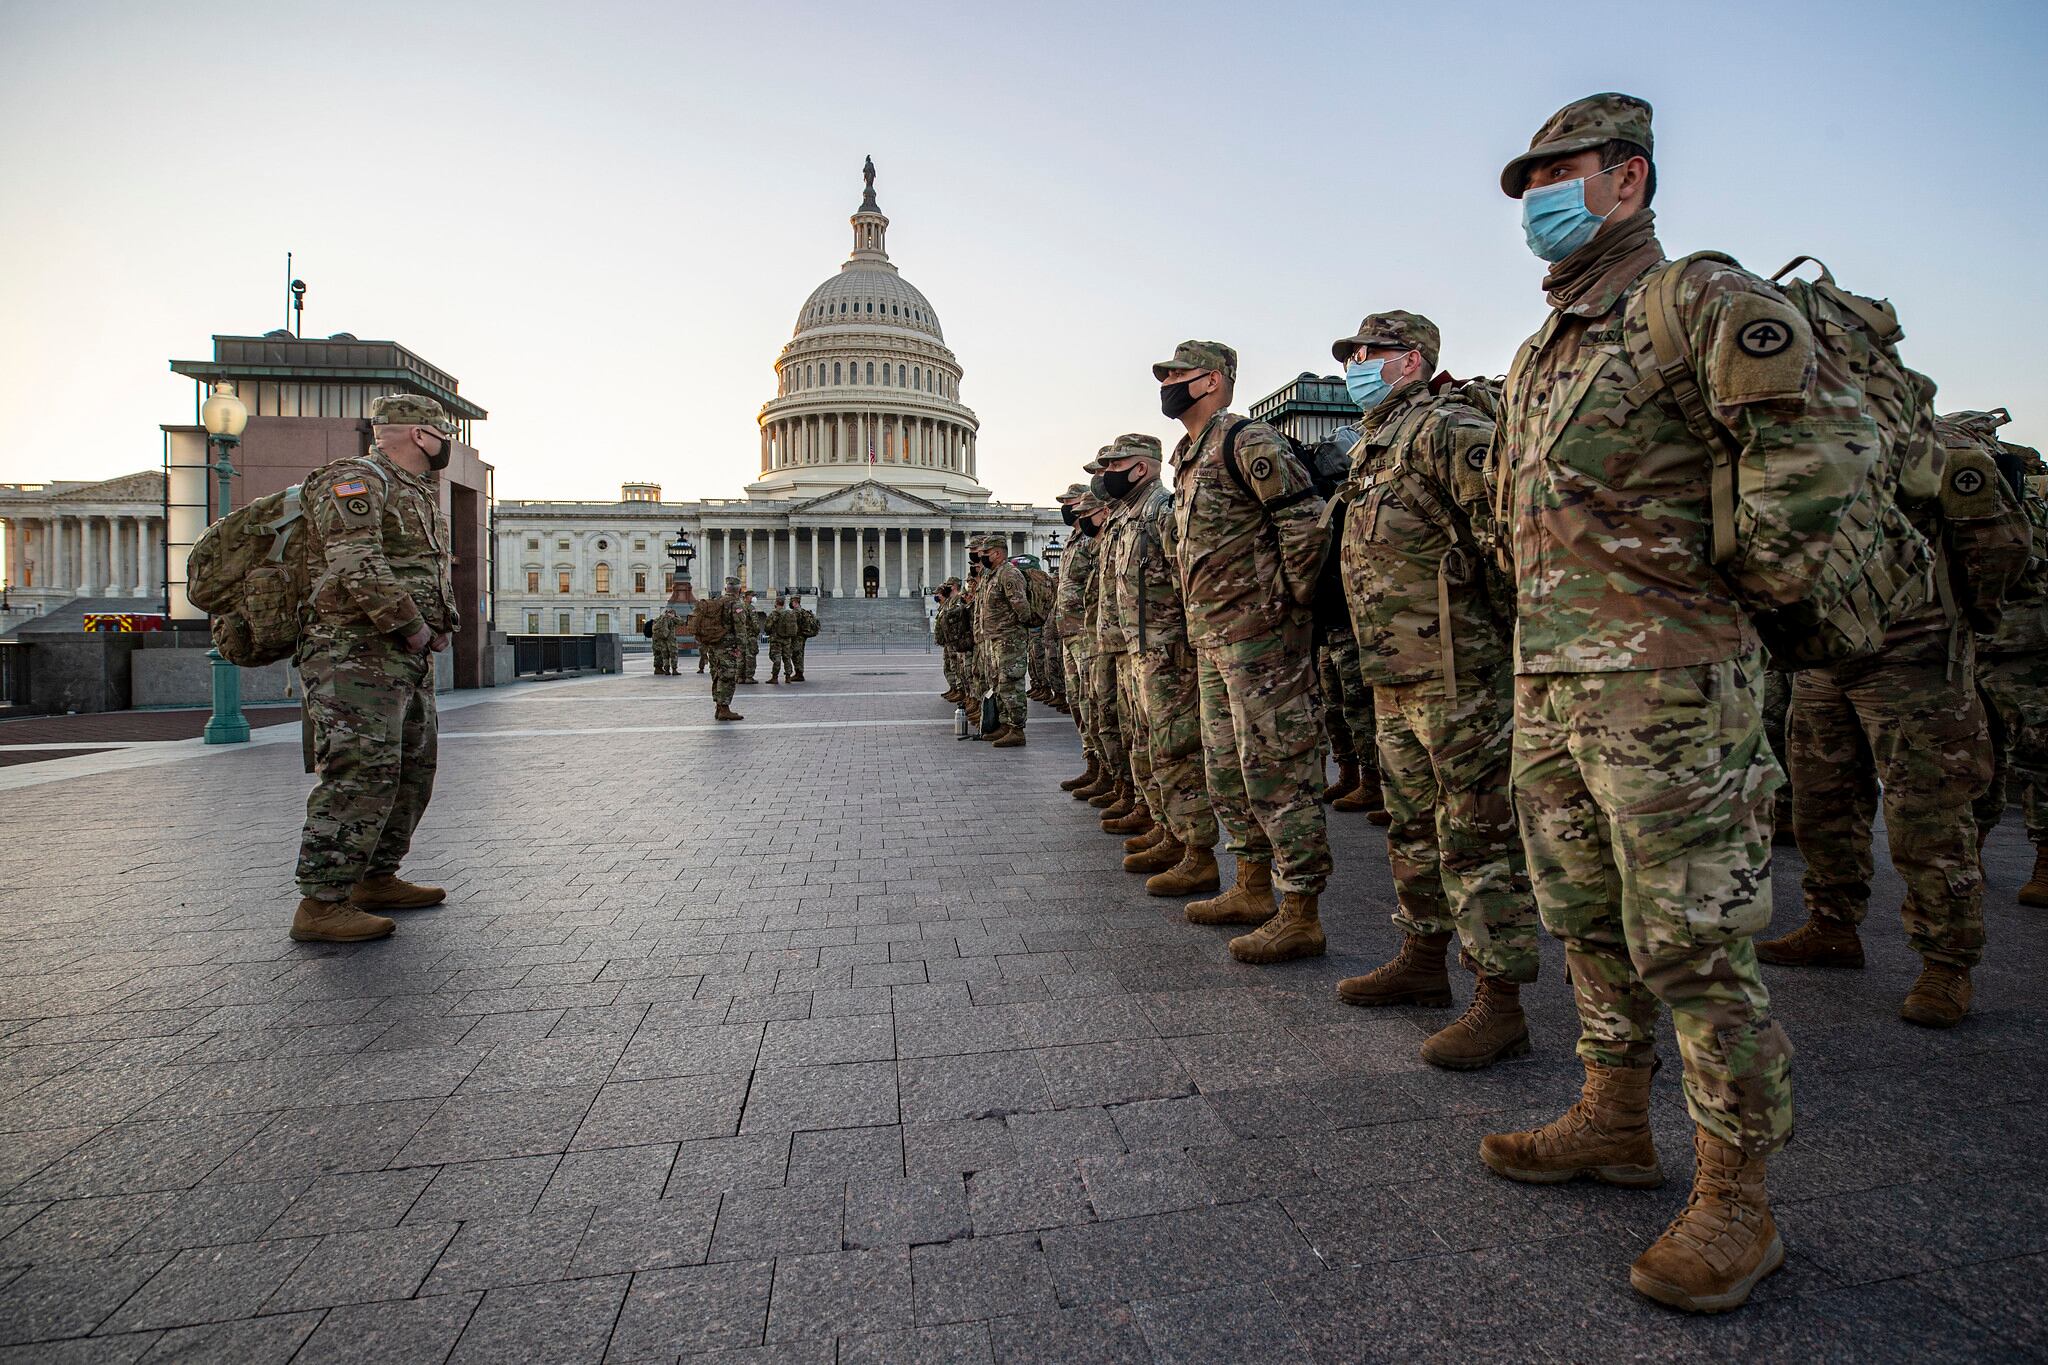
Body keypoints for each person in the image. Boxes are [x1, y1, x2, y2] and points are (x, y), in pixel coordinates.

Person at [1482, 92, 1816, 1312]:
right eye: (1521, 185)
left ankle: (1736, 1196)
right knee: (1582, 916)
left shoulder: (1699, 301)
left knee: (1692, 941)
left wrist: (1732, 601)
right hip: (1554, 682)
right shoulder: (1541, 347)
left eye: (1553, 174)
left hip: (1670, 682)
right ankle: (1612, 1117)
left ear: (1625, 180)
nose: (1532, 201)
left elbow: (1807, 458)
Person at [1325, 310, 1541, 1070]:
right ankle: (1422, 957)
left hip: (1460, 677)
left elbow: (1510, 541)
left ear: (1412, 360)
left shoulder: (1447, 428)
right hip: (1396, 674)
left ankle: (1500, 999)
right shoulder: (1375, 444)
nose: (1354, 362)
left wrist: (1499, 646)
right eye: (1351, 352)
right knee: (1413, 827)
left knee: (1477, 835)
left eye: (1367, 352)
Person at [1762, 406, 2028, 1024]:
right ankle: (1832, 925)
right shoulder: (1791, 442)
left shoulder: (1931, 447)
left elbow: (1998, 545)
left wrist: (1962, 620)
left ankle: (1945, 964)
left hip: (1912, 654)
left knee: (1927, 814)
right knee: (1821, 803)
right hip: (1823, 653)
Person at [1154, 340, 1331, 964]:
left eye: (1177, 373)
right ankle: (1254, 887)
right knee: (1229, 772)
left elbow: (1304, 524)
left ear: (1211, 381)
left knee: (1278, 772)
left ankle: (1301, 909)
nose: (1167, 382)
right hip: (1215, 640)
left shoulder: (1247, 441)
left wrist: (1289, 610)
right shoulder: (1186, 458)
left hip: (1261, 640)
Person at [290, 393, 459, 944]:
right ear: (419, 434)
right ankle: (321, 902)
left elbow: (424, 568)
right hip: (353, 652)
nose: (447, 444)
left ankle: (375, 877)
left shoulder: (415, 492)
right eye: (443, 433)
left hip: (401, 656)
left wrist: (441, 623)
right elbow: (356, 560)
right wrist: (411, 623)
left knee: (410, 769)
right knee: (361, 769)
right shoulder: (356, 479)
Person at [1098, 433, 1221, 897]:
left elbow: (1187, 576)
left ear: (1143, 467)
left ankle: (1197, 853)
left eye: (1115, 464)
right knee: (1147, 744)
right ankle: (1169, 830)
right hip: (1137, 649)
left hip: (1167, 652)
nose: (1107, 475)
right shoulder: (1129, 515)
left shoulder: (1161, 511)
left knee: (1177, 751)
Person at [1971, 418, 2048, 902]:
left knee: (2039, 752)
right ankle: (1970, 851)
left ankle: (2045, 862)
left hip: (2028, 646)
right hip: (1974, 643)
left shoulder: (2031, 508)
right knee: (1977, 755)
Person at [1051, 485, 1102, 792]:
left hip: (1087, 632)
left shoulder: (1092, 539)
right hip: (1070, 632)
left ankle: (1108, 773)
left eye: (1071, 503)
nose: (1067, 509)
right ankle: (1092, 763)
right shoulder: (1073, 540)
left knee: (1093, 702)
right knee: (1077, 701)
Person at [972, 535, 1031, 747]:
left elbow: (1022, 608)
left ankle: (1017, 728)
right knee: (998, 685)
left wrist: (1013, 629)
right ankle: (1005, 725)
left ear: (997, 553)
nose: (982, 557)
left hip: (1009, 640)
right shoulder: (992, 575)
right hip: (995, 639)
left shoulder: (1009, 573)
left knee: (1011, 684)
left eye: (986, 553)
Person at [705, 576, 747, 722]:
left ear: (725, 589)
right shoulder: (735, 604)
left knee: (718, 675)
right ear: (739, 590)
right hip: (728, 646)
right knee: (728, 677)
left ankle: (718, 707)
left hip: (714, 645)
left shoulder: (718, 602)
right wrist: (741, 647)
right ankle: (724, 709)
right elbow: (740, 628)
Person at [767, 595, 796, 684]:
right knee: (787, 658)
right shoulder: (789, 613)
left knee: (777, 659)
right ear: (784, 604)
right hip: (787, 640)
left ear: (776, 603)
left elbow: (767, 627)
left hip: (776, 640)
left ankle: (774, 677)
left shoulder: (774, 614)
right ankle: (788, 677)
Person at [789, 593, 817, 682]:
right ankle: (799, 673)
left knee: (796, 655)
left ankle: (799, 674)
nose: (791, 603)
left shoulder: (796, 612)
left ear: (795, 601)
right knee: (800, 654)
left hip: (797, 636)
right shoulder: (803, 611)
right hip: (802, 636)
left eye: (792, 601)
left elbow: (792, 625)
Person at [738, 592, 763, 684]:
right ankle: (749, 677)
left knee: (740, 656)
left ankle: (739, 677)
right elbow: (755, 623)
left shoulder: (739, 607)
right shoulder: (750, 608)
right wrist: (756, 633)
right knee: (750, 656)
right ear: (747, 597)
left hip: (740, 636)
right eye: (752, 596)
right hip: (749, 636)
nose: (754, 598)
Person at [649, 607, 677, 676]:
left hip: (657, 639)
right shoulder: (667, 619)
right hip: (665, 639)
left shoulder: (657, 619)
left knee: (659, 655)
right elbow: (680, 622)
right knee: (667, 655)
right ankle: (666, 669)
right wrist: (673, 617)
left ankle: (660, 669)